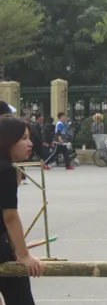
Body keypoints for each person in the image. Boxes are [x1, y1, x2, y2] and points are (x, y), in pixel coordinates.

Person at [0, 116, 45, 304]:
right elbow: (10, 217)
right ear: (8, 140)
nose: (30, 143)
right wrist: (25, 255)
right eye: (24, 138)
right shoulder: (5, 170)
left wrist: (16, 249)